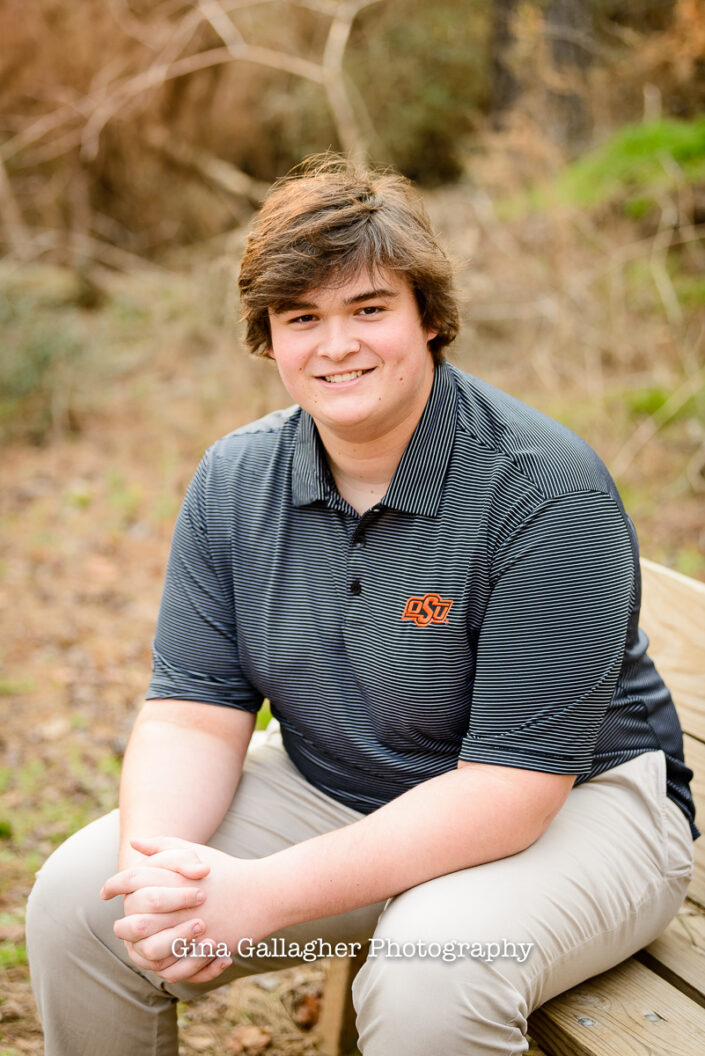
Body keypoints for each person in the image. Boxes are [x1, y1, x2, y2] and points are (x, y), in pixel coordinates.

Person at [26, 156, 698, 1056]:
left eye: (368, 309)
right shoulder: (236, 479)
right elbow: (192, 716)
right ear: (269, 339)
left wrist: (257, 897)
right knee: (82, 904)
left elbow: (510, 794)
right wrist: (161, 879)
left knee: (429, 971)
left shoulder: (541, 489)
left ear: (428, 318)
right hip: (338, 785)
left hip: (576, 807)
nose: (336, 345)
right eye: (302, 318)